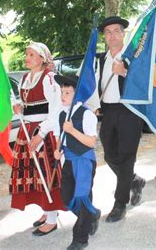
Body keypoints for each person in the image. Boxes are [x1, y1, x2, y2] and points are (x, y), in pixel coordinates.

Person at [11, 41, 65, 236]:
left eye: (31, 54)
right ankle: (46, 210)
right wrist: (19, 108)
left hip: (44, 132)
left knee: (47, 173)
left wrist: (41, 134)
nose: (27, 57)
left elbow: (55, 111)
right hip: (27, 130)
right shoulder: (26, 78)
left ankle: (52, 219)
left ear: (43, 59)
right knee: (34, 174)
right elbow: (30, 106)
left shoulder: (49, 79)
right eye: (26, 54)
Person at [96, 16, 145, 223]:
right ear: (104, 37)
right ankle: (134, 180)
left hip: (129, 111)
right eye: (108, 32)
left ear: (123, 34)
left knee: (126, 156)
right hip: (107, 112)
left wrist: (124, 72)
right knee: (109, 156)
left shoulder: (135, 56)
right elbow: (94, 84)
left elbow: (144, 83)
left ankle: (119, 202)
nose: (112, 35)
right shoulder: (100, 59)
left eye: (116, 31)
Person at [53, 74, 100, 250]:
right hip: (70, 161)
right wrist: (58, 151)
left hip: (85, 162)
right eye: (62, 92)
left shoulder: (87, 115)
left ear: (77, 94)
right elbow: (61, 139)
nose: (63, 96)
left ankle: (80, 238)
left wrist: (72, 130)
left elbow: (91, 142)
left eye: (67, 92)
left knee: (82, 198)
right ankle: (92, 215)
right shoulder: (62, 115)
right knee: (66, 198)